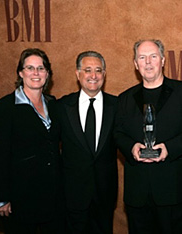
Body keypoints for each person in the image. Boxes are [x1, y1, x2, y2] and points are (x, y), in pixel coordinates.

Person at [114, 39, 182, 234]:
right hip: (137, 193)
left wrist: (171, 148)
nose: (148, 62)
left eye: (153, 56)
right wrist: (131, 147)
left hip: (173, 191)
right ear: (135, 64)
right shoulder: (125, 98)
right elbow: (117, 132)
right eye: (142, 57)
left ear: (163, 60)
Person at [0, 48, 65, 233]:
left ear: (47, 73)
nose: (36, 73)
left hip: (53, 197)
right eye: (30, 68)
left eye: (41, 68)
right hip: (21, 198)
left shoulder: (53, 104)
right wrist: (1, 198)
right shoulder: (5, 107)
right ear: (21, 72)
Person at [58, 51, 118, 234]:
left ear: (104, 74)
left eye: (98, 70)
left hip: (105, 194)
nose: (93, 76)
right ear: (78, 74)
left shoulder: (118, 106)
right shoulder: (61, 107)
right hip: (72, 194)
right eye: (88, 70)